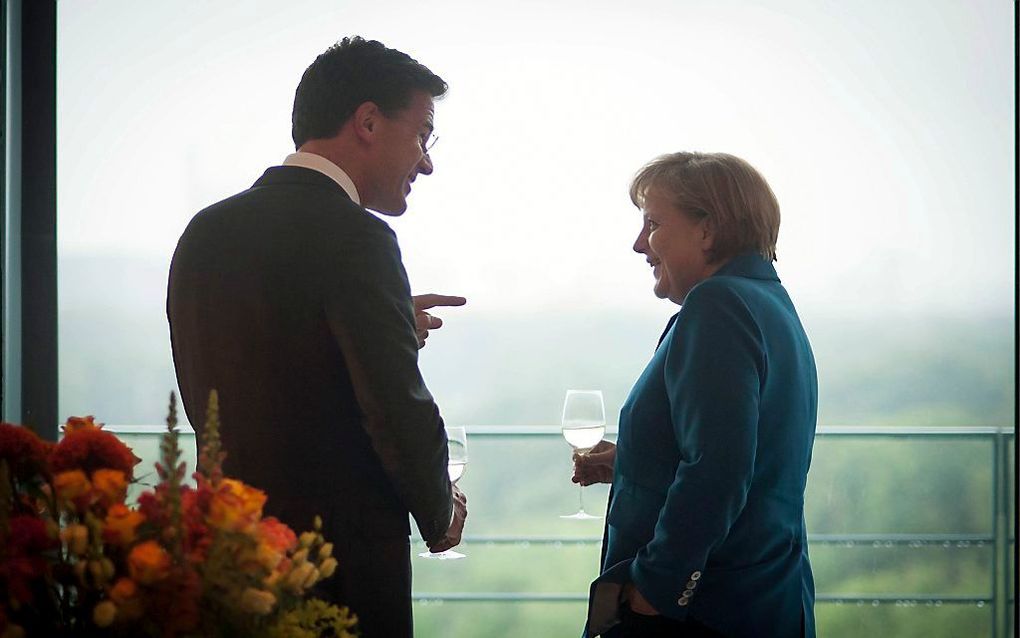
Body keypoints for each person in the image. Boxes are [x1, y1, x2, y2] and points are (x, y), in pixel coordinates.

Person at [166, 36, 467, 638]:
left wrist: (382, 319)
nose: (427, 162)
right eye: (423, 135)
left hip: (224, 559)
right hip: (334, 572)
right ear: (368, 121)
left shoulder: (204, 232)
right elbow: (394, 406)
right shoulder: (358, 239)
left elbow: (243, 370)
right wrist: (440, 511)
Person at [574, 152, 818, 638]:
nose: (639, 244)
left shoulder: (718, 305)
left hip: (705, 611)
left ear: (708, 229)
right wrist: (633, 461)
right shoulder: (769, 300)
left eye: (653, 224)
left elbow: (719, 469)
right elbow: (750, 450)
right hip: (767, 597)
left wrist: (657, 588)